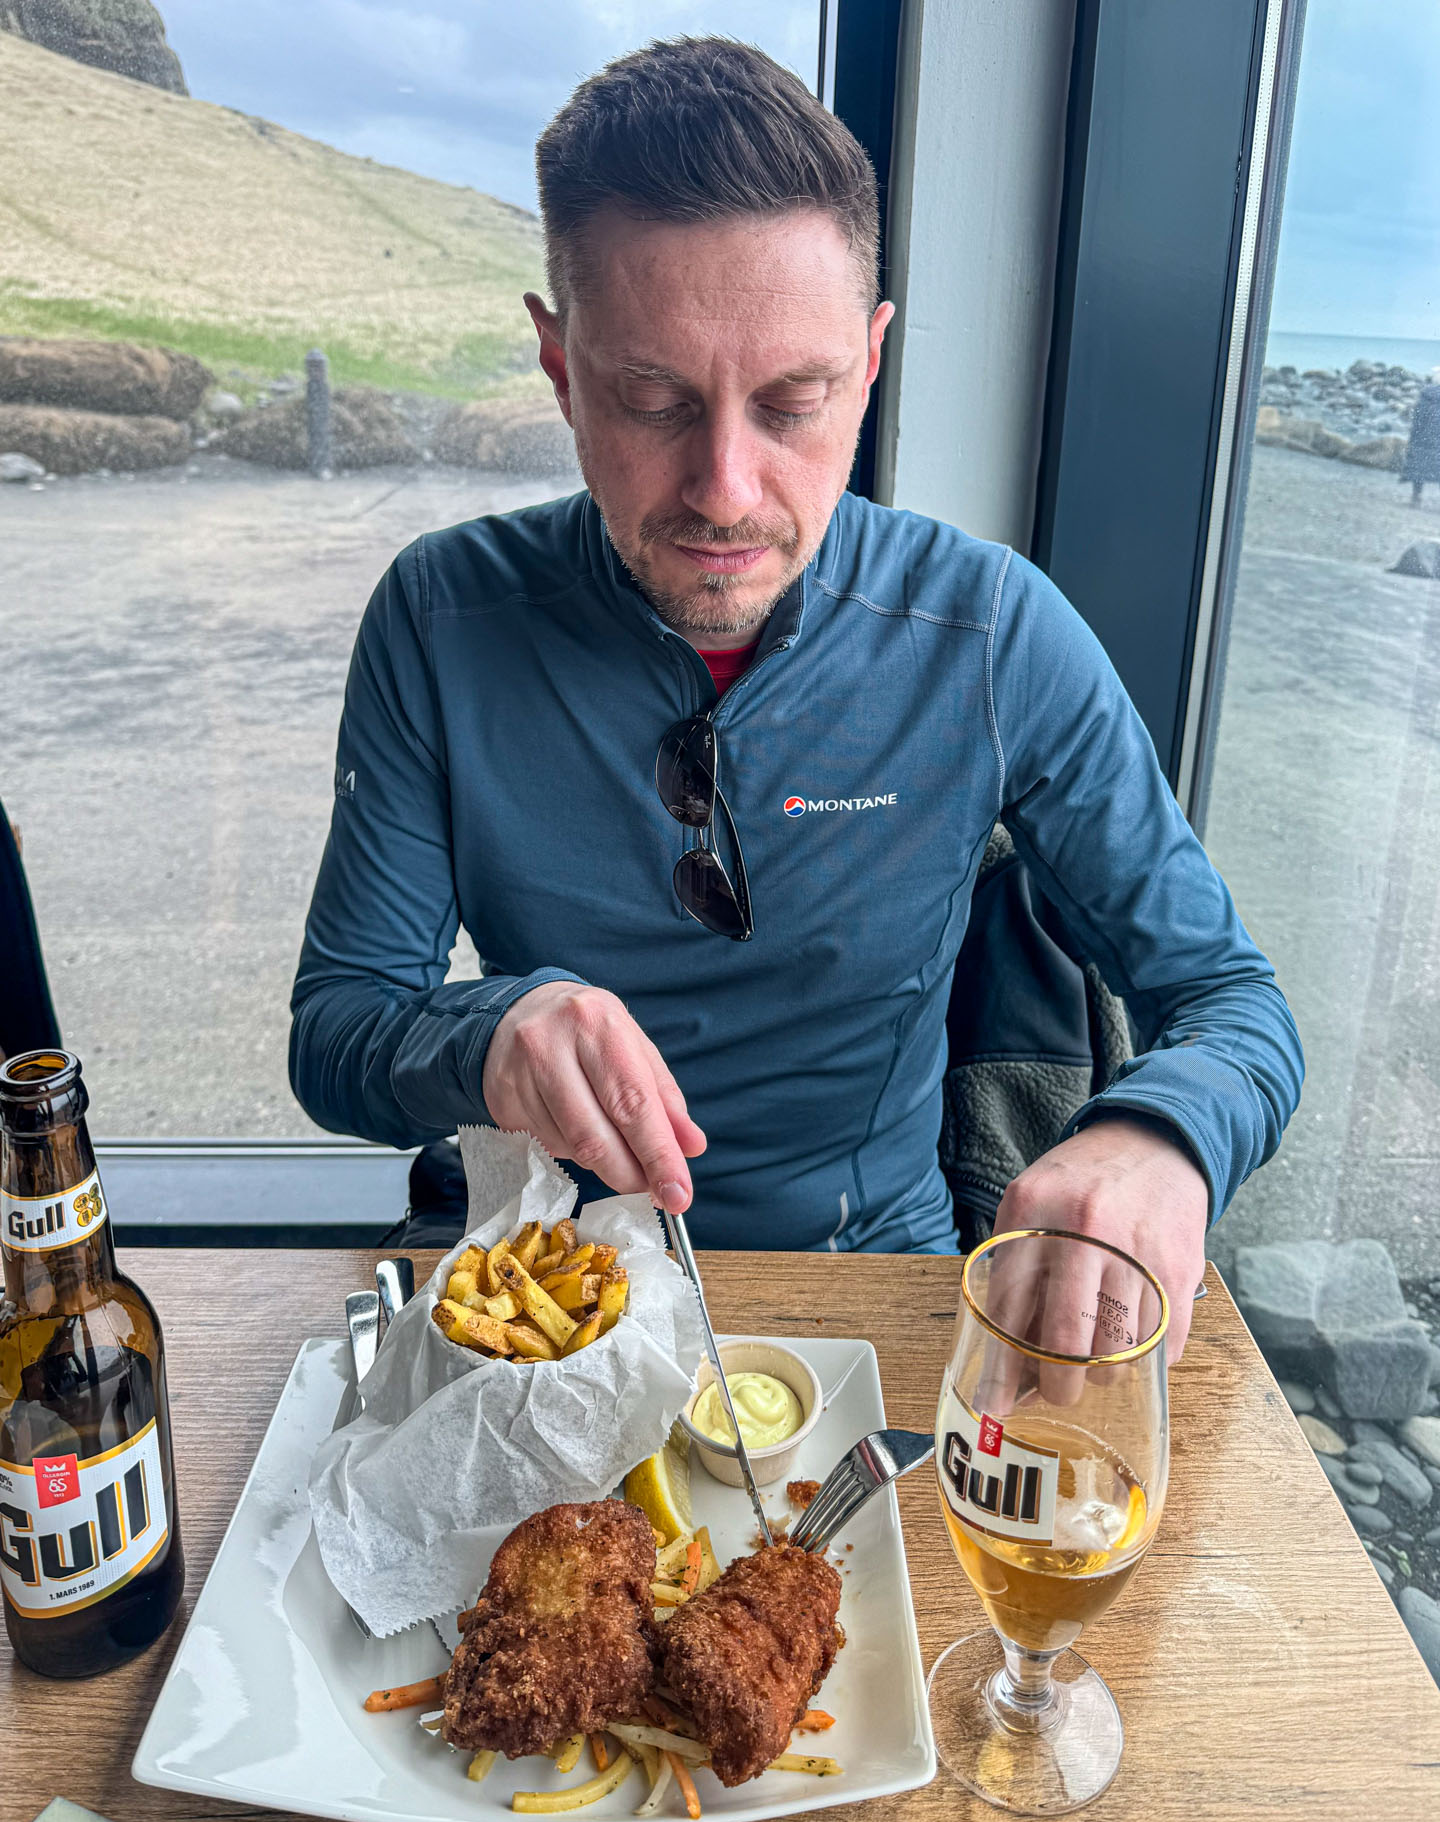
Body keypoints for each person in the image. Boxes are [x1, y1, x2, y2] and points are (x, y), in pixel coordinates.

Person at [290, 38, 1303, 1364]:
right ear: (558, 362)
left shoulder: (994, 634)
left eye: (795, 402)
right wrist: (489, 1033)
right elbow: (340, 1027)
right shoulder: (441, 618)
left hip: (873, 1301)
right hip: (543, 1303)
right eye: (650, 396)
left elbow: (1233, 1000)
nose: (724, 485)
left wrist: (1160, 1137)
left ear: (871, 365)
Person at [1403, 369, 1440, 504]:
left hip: (1422, 440)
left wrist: (1413, 439)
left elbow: (1416, 422)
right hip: (1438, 442)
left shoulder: (1424, 399)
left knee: (1418, 469)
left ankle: (1416, 497)